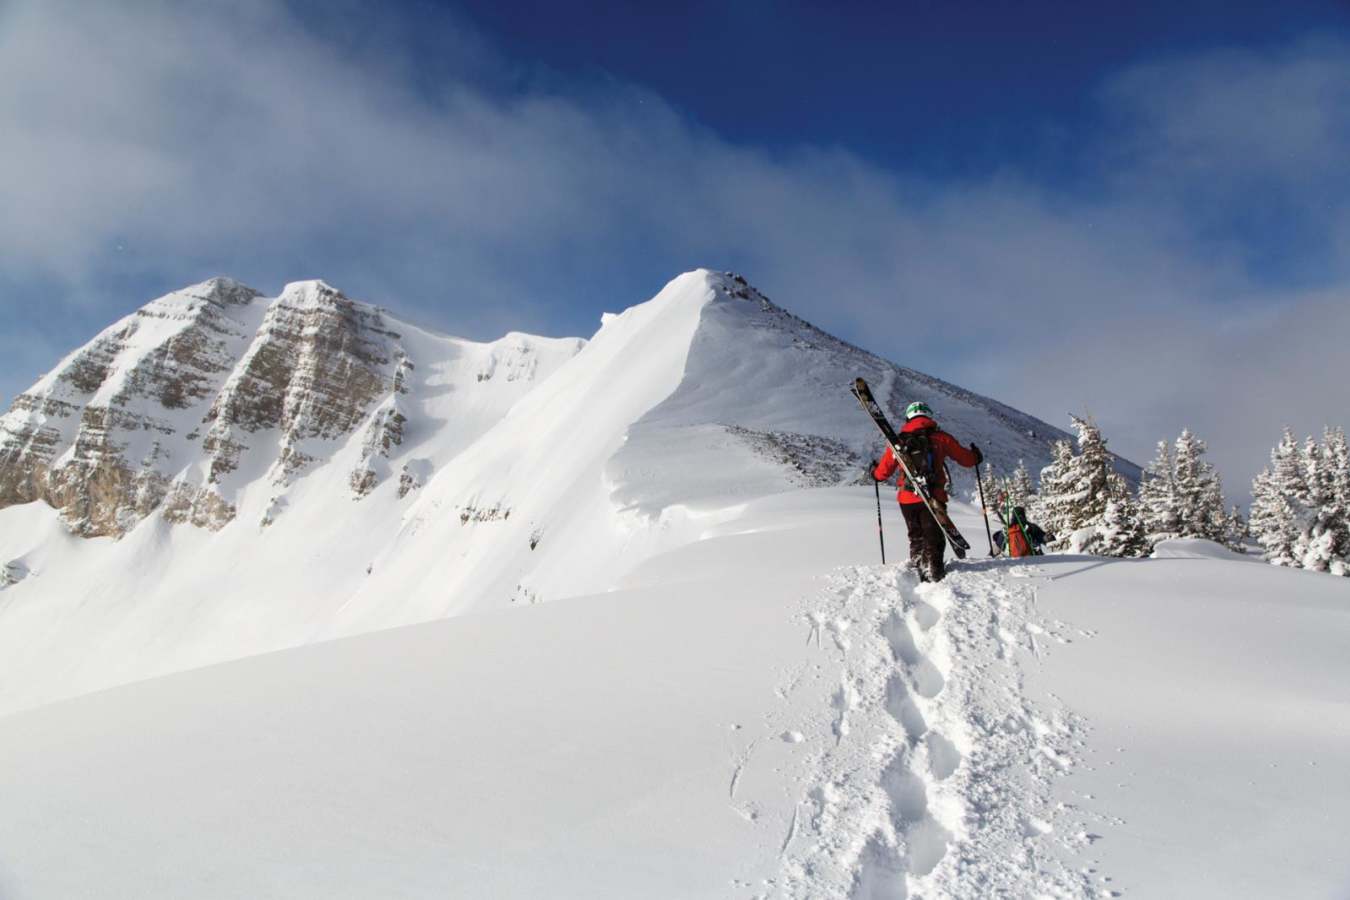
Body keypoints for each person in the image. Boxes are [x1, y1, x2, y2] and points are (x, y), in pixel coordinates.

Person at [871, 401, 981, 582]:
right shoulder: (941, 437)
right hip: (933, 497)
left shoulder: (897, 442)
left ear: (908, 417)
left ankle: (917, 568)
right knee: (934, 536)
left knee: (916, 536)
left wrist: (873, 472)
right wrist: (976, 455)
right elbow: (967, 460)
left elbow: (882, 473)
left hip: (907, 498)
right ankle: (933, 571)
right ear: (929, 417)